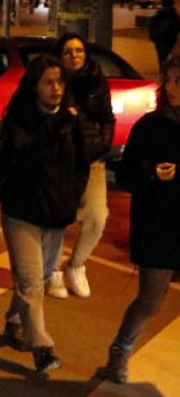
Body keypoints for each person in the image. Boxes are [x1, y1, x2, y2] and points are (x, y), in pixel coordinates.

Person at [0, 55, 88, 375]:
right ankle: (43, 349)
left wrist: (72, 197)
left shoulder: (72, 120)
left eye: (60, 81)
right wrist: (57, 125)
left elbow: (81, 165)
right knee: (31, 282)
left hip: (55, 213)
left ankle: (14, 320)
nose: (56, 88)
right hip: (22, 212)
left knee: (38, 279)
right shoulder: (20, 118)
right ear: (34, 86)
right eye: (48, 81)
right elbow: (25, 154)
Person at [102, 57, 180, 384]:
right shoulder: (149, 125)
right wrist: (151, 172)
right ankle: (121, 348)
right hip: (159, 226)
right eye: (172, 79)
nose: (175, 87)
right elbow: (126, 174)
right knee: (150, 301)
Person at [46, 33, 114, 300]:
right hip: (60, 161)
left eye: (78, 51)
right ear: (59, 55)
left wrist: (102, 144)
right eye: (67, 51)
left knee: (97, 216)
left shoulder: (97, 81)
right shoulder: (53, 81)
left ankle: (75, 265)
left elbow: (107, 117)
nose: (74, 56)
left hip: (91, 159)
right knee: (58, 218)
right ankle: (52, 272)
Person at [147, 0, 179, 75]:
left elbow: (151, 25)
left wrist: (152, 35)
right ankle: (165, 69)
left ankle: (162, 69)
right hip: (170, 38)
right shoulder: (174, 14)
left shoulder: (159, 13)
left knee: (161, 55)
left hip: (159, 38)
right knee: (167, 54)